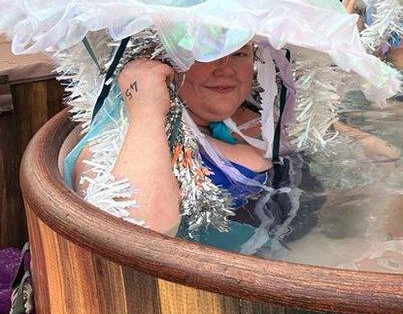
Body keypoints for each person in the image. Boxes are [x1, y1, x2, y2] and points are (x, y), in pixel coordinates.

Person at [67, 44, 268, 235]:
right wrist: (147, 111)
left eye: (239, 53)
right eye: (205, 53)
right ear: (161, 60)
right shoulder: (110, 146)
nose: (226, 70)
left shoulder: (268, 118)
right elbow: (141, 233)